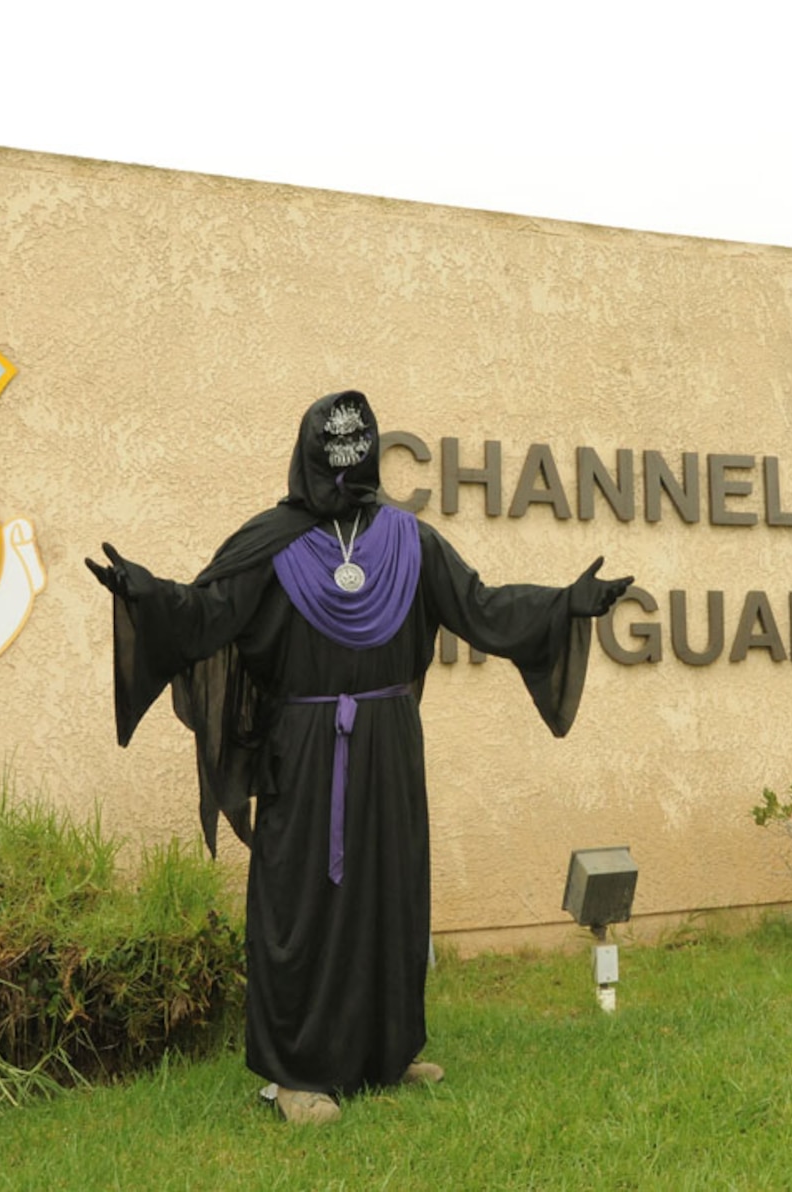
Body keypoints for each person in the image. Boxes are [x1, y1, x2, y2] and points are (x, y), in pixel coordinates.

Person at [86, 390, 632, 1123]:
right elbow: (206, 615)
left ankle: (385, 1051)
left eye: (354, 447)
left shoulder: (410, 541)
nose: (342, 465)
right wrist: (146, 595)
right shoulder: (270, 543)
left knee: (389, 891)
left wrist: (569, 602)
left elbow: (482, 607)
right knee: (300, 904)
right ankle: (294, 1076)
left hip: (391, 742)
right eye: (330, 449)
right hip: (305, 750)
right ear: (309, 455)